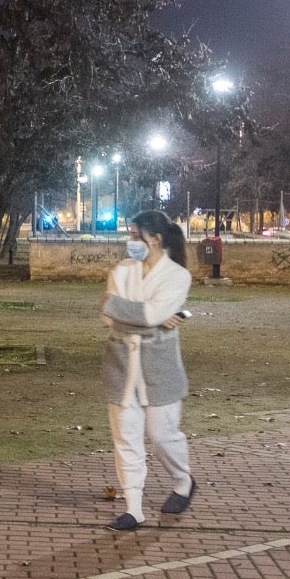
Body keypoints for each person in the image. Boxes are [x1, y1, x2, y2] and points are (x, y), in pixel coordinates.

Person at [100, 210, 194, 531]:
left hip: (160, 368)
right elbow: (108, 315)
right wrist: (148, 319)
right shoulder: (122, 270)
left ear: (154, 239)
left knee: (162, 435)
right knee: (125, 437)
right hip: (121, 366)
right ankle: (133, 508)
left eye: (135, 235)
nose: (130, 241)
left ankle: (183, 481)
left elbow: (150, 312)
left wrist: (134, 314)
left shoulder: (178, 276)